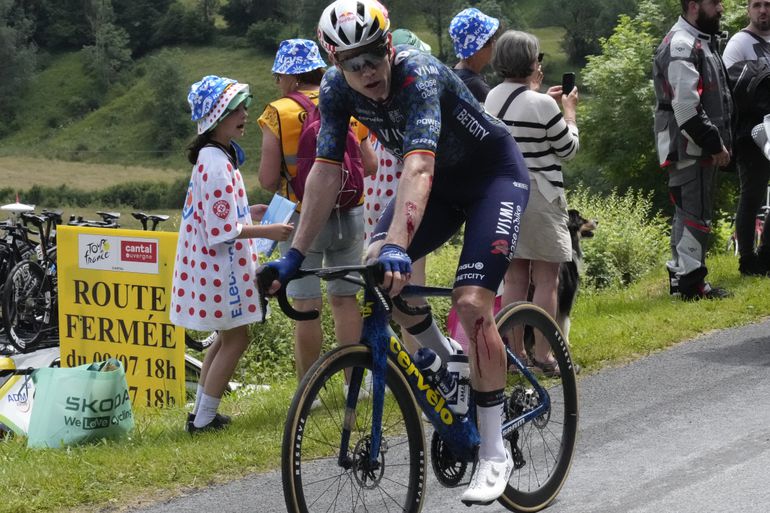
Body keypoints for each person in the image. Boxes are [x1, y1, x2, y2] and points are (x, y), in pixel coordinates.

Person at [263, 0, 530, 503]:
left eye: (370, 56)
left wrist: (400, 247)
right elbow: (324, 173)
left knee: (472, 303)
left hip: (492, 177)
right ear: (334, 63)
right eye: (350, 61)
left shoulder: (418, 77)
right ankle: (446, 361)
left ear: (388, 46)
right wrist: (296, 254)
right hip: (438, 188)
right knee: (372, 268)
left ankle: (495, 452)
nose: (364, 71)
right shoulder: (338, 90)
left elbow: (419, 171)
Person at [174, 75, 294, 433]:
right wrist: (268, 230)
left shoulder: (214, 157)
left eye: (243, 106)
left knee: (228, 336)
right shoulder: (215, 165)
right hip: (222, 269)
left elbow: (221, 215)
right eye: (235, 109)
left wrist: (249, 212)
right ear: (217, 117)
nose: (244, 113)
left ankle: (201, 413)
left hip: (215, 267)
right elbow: (221, 230)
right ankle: (205, 417)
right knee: (237, 338)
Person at [257, 39, 365, 380]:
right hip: (351, 214)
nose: (278, 83)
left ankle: (310, 387)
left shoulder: (278, 112)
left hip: (305, 220)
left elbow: (267, 177)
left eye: (278, 77)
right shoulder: (347, 98)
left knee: (307, 306)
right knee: (346, 300)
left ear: (289, 76)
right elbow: (371, 165)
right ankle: (355, 384)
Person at [486, 31, 579, 373]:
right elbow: (568, 149)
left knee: (514, 279)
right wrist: (568, 113)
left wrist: (538, 96)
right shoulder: (543, 105)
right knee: (546, 279)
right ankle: (544, 355)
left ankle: (515, 356)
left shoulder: (493, 98)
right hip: (541, 195)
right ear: (531, 63)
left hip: (505, 195)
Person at [652, 0, 733, 300]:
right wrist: (715, 144)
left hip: (691, 143)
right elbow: (686, 109)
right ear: (695, 6)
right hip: (688, 144)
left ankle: (684, 278)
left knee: (689, 210)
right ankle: (692, 285)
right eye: (715, 3)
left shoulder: (698, 41)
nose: (721, 8)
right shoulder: (682, 44)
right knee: (693, 213)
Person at [723, 0, 770, 276]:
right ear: (748, 10)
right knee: (751, 195)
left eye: (767, 5)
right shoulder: (738, 44)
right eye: (757, 5)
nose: (763, 11)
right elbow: (729, 91)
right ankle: (748, 260)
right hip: (749, 132)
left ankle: (767, 253)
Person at [449, 7, 500, 103]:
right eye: (489, 39)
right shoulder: (476, 87)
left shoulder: (452, 74)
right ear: (476, 50)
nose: (494, 42)